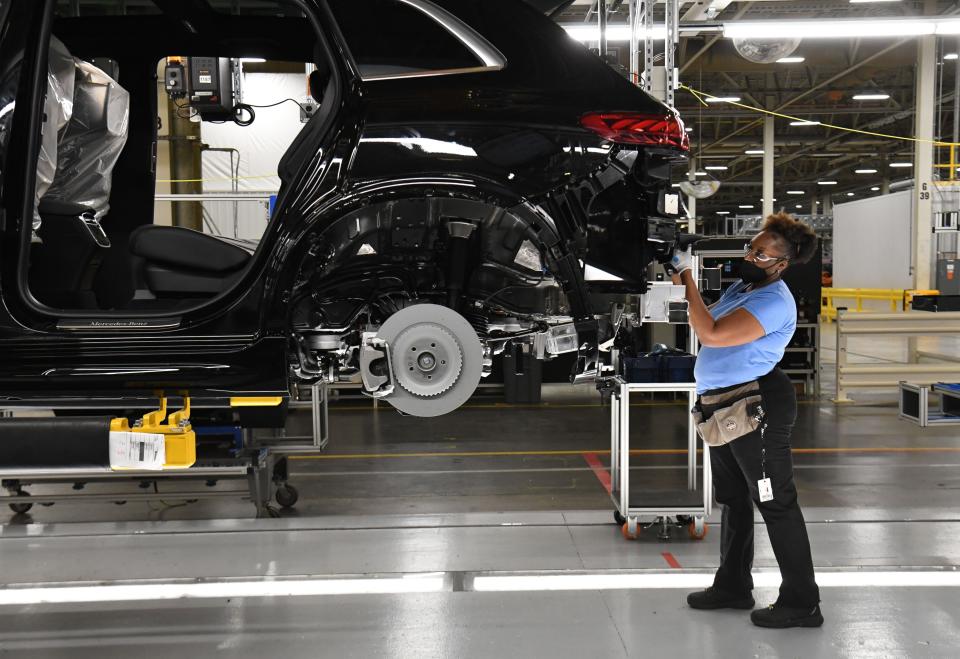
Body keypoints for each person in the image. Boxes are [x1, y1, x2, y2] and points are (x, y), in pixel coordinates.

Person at [670, 212, 823, 629]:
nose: (750, 256)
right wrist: (683, 278)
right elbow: (705, 318)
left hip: (756, 406)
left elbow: (713, 334)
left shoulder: (773, 301)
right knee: (733, 500)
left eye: (761, 254)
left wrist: (687, 278)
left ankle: (802, 601)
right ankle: (733, 585)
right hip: (723, 406)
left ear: (782, 264)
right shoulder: (745, 286)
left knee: (775, 502)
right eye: (750, 249)